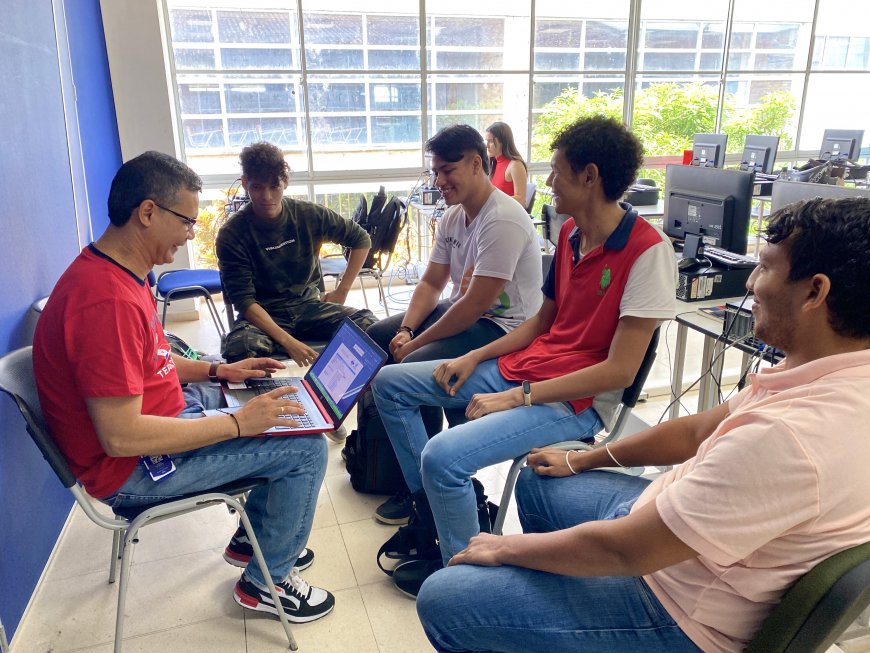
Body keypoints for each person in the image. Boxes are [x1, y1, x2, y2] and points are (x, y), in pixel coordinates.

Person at [417, 196, 870, 653]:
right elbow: (695, 433)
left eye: (766, 268)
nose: (750, 281)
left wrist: (502, 548)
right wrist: (581, 459)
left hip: (680, 611)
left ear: (815, 293)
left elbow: (627, 552)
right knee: (541, 478)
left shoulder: (790, 436)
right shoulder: (829, 375)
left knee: (447, 597)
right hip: (679, 530)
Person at [371, 116, 677, 596]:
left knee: (443, 457)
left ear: (590, 176)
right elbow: (540, 324)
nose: (547, 183)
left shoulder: (648, 253)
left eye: (556, 172)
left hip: (572, 403)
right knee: (391, 382)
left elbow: (618, 370)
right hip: (528, 370)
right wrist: (476, 358)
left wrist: (518, 397)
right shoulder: (572, 234)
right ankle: (432, 509)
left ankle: (463, 579)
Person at [33, 151, 334, 624]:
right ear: (148, 212)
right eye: (186, 221)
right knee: (306, 449)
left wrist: (219, 373)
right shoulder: (105, 301)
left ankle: (253, 536)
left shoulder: (116, 273)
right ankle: (265, 583)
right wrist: (235, 424)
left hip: (166, 416)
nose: (192, 233)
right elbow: (122, 437)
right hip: (131, 470)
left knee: (261, 393)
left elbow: (148, 363)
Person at [366, 124, 543, 525]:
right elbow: (432, 282)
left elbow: (473, 307)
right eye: (436, 172)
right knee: (377, 337)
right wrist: (406, 330)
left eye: (448, 171)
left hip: (503, 328)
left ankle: (424, 493)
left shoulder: (503, 221)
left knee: (407, 370)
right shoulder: (453, 217)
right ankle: (396, 462)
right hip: (466, 310)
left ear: (477, 163)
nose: (440, 181)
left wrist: (413, 346)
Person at [217, 141, 377, 367]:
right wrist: (289, 342)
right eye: (257, 187)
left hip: (309, 308)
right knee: (242, 348)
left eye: (274, 186)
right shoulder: (232, 233)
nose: (267, 196)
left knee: (370, 327)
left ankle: (335, 393)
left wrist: (342, 290)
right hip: (263, 316)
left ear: (286, 182)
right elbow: (244, 301)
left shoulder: (307, 214)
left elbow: (361, 239)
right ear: (245, 184)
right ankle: (272, 398)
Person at [485, 121, 528, 208]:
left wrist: (490, 200)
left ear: (502, 142)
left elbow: (521, 200)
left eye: (490, 141)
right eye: (486, 141)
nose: (487, 145)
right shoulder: (494, 164)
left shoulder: (515, 165)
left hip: (508, 216)